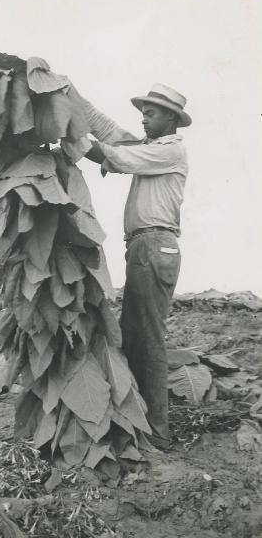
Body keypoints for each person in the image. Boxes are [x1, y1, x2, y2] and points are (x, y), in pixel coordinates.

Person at [82, 84, 192, 450]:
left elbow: (117, 156)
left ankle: (158, 432)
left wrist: (71, 139)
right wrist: (70, 98)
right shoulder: (152, 147)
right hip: (145, 247)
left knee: (148, 339)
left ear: (171, 119)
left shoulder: (170, 150)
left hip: (155, 245)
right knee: (135, 335)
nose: (144, 118)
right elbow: (110, 132)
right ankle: (143, 421)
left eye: (152, 113)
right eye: (143, 112)